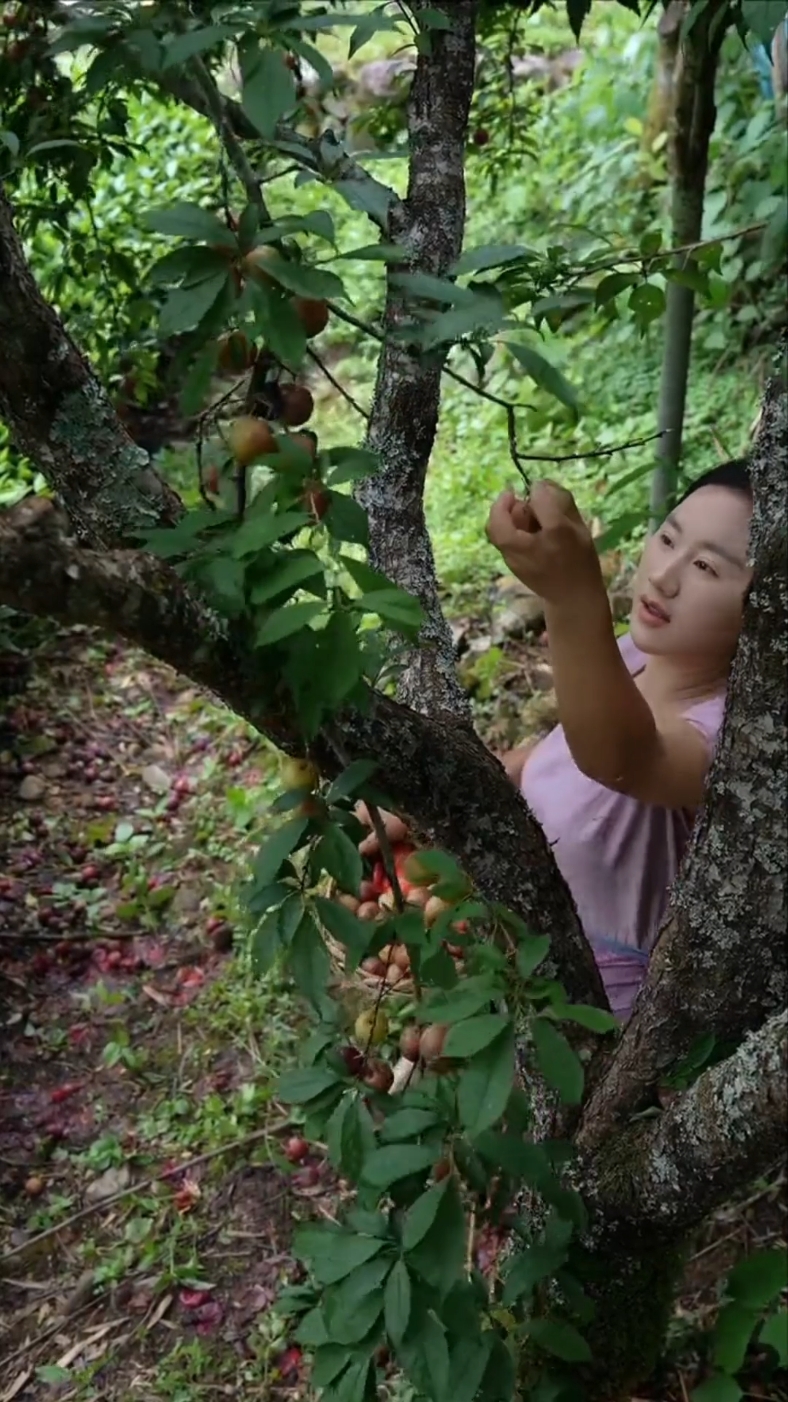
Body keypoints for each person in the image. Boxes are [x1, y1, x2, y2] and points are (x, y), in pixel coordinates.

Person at [357, 459, 753, 1021]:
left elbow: (622, 757)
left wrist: (570, 596)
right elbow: (552, 760)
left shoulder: (729, 736)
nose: (665, 575)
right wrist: (426, 795)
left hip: (593, 1013)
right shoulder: (637, 655)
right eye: (668, 538)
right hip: (520, 952)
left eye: (709, 567)